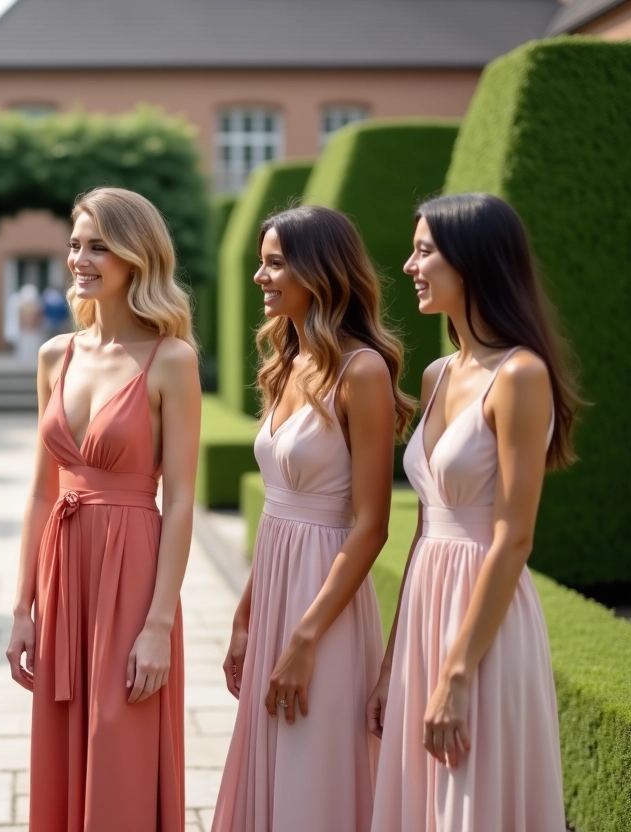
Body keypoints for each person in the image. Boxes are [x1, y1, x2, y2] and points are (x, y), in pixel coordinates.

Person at [369, 193, 578, 831]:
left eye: (424, 251)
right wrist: (392, 659)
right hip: (427, 611)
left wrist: (457, 673)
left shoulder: (520, 376)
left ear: (474, 261)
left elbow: (514, 539)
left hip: (483, 625)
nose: (408, 265)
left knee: (471, 804)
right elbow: (426, 525)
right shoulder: (436, 375)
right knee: (421, 804)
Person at [211, 205, 415, 832]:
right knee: (271, 757)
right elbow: (275, 513)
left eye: (274, 263)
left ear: (319, 271)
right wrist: (247, 616)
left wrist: (305, 640)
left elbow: (372, 524)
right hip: (275, 591)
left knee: (312, 764)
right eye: (261, 262)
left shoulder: (364, 371)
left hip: (324, 602)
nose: (259, 277)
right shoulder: (287, 363)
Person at [6, 187, 201, 831]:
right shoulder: (53, 355)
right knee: (64, 737)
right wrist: (21, 608)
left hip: (131, 568)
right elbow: (41, 491)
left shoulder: (171, 360)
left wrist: (159, 625)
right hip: (65, 567)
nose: (80, 259)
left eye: (97, 245)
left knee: (121, 740)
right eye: (75, 244)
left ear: (135, 256)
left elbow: (178, 501)